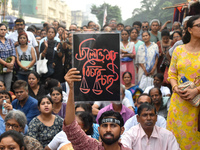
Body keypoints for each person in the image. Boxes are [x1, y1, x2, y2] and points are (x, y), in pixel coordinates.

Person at [62, 68, 132, 150]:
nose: (108, 130)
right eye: (105, 126)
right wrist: (72, 89)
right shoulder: (90, 147)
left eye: (113, 126)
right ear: (98, 129)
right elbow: (71, 127)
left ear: (122, 130)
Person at [167, 15, 200, 150]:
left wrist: (196, 90)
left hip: (197, 105)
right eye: (199, 25)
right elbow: (172, 73)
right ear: (190, 29)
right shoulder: (179, 50)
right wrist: (175, 88)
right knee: (175, 139)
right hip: (179, 102)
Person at [0, 23, 16, 91]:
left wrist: (11, 64)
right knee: (0, 87)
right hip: (0, 68)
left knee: (8, 87)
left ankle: (6, 101)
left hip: (9, 68)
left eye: (4, 30)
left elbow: (13, 54)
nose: (3, 31)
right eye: (1, 29)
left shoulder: (10, 41)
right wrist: (6, 64)